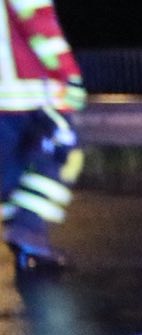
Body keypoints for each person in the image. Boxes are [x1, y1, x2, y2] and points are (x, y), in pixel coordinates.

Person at [0, 0, 86, 273]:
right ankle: (27, 232)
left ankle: (26, 239)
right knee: (64, 153)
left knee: (12, 167)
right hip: (30, 91)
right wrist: (68, 73)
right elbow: (38, 22)